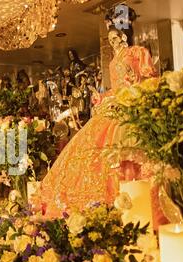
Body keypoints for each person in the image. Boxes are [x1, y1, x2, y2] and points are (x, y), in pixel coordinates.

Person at [31, 8, 165, 228]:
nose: (113, 42)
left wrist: (133, 91)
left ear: (123, 35)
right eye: (110, 38)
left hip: (132, 107)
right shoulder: (114, 60)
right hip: (114, 106)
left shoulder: (138, 52)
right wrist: (102, 96)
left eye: (115, 37)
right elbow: (116, 86)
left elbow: (150, 79)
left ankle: (139, 209)